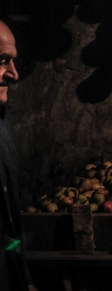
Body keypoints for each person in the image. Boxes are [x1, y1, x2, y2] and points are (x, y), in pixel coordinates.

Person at [0, 20, 37, 291]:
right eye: (2, 61)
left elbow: (8, 225)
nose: (13, 74)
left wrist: (22, 277)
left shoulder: (2, 132)